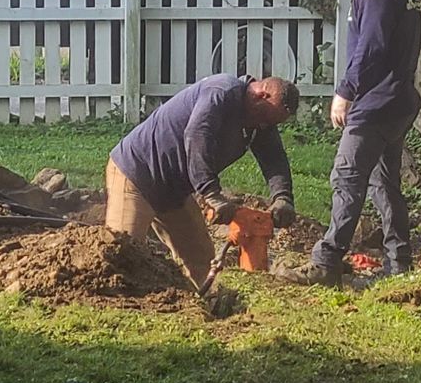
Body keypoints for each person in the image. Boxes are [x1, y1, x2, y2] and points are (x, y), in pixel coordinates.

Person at [281, 0, 421, 285]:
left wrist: (346, 91)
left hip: (375, 105)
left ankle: (326, 262)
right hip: (398, 100)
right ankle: (398, 264)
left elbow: (372, 48)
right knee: (384, 184)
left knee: (346, 178)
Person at [106, 74, 300, 291]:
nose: (265, 126)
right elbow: (197, 135)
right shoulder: (221, 92)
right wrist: (211, 194)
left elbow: (273, 157)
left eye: (271, 124)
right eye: (265, 119)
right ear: (261, 95)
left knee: (203, 262)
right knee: (122, 258)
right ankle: (108, 312)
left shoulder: (260, 121)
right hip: (137, 175)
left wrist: (282, 196)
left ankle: (207, 311)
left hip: (174, 192)